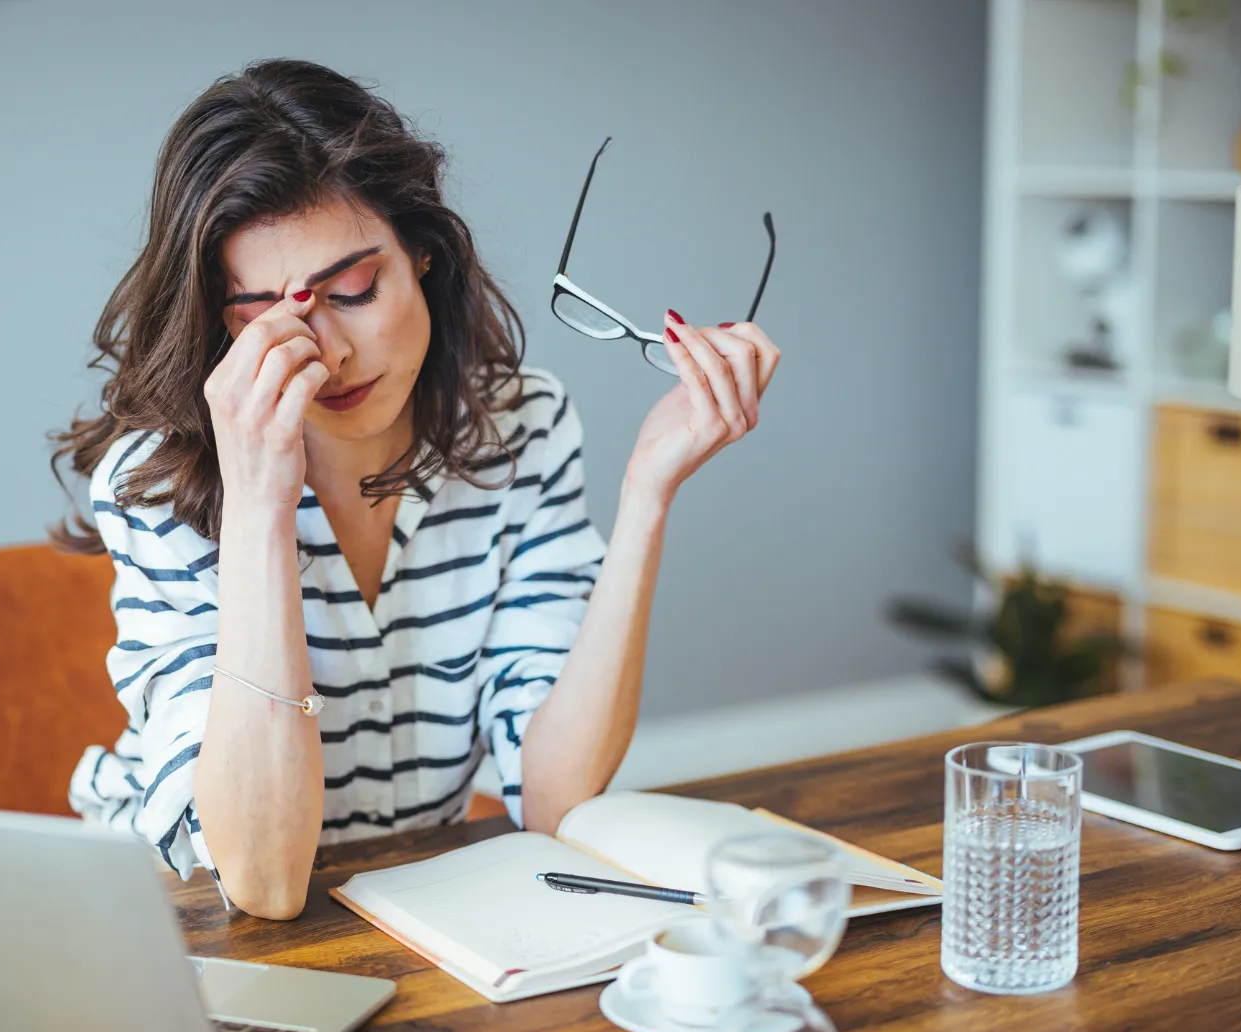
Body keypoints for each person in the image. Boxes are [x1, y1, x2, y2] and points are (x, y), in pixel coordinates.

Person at [54, 59, 779, 919]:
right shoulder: (156, 486)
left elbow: (554, 803)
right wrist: (257, 507)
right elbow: (264, 880)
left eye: (354, 291)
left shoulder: (519, 429)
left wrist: (648, 495)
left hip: (407, 911)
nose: (329, 353)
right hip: (178, 923)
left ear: (424, 252)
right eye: (265, 318)